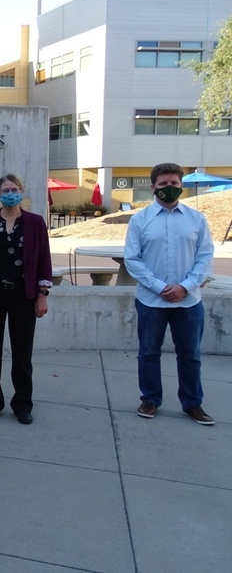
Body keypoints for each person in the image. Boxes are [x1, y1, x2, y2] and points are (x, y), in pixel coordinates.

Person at [123, 163, 215, 425]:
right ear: (153, 187)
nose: (169, 188)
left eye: (174, 183)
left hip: (189, 301)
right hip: (151, 300)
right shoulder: (140, 220)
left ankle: (192, 403)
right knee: (149, 352)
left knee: (190, 355)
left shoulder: (196, 219)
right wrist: (159, 286)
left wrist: (185, 286)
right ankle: (150, 399)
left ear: (181, 186)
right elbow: (132, 259)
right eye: (163, 184)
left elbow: (205, 257)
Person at [0, 174, 52, 425]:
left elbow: (44, 261)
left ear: (22, 192)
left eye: (14, 189)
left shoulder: (35, 223)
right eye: (5, 190)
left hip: (23, 297)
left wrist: (42, 295)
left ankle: (22, 404)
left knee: (22, 354)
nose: (10, 193)